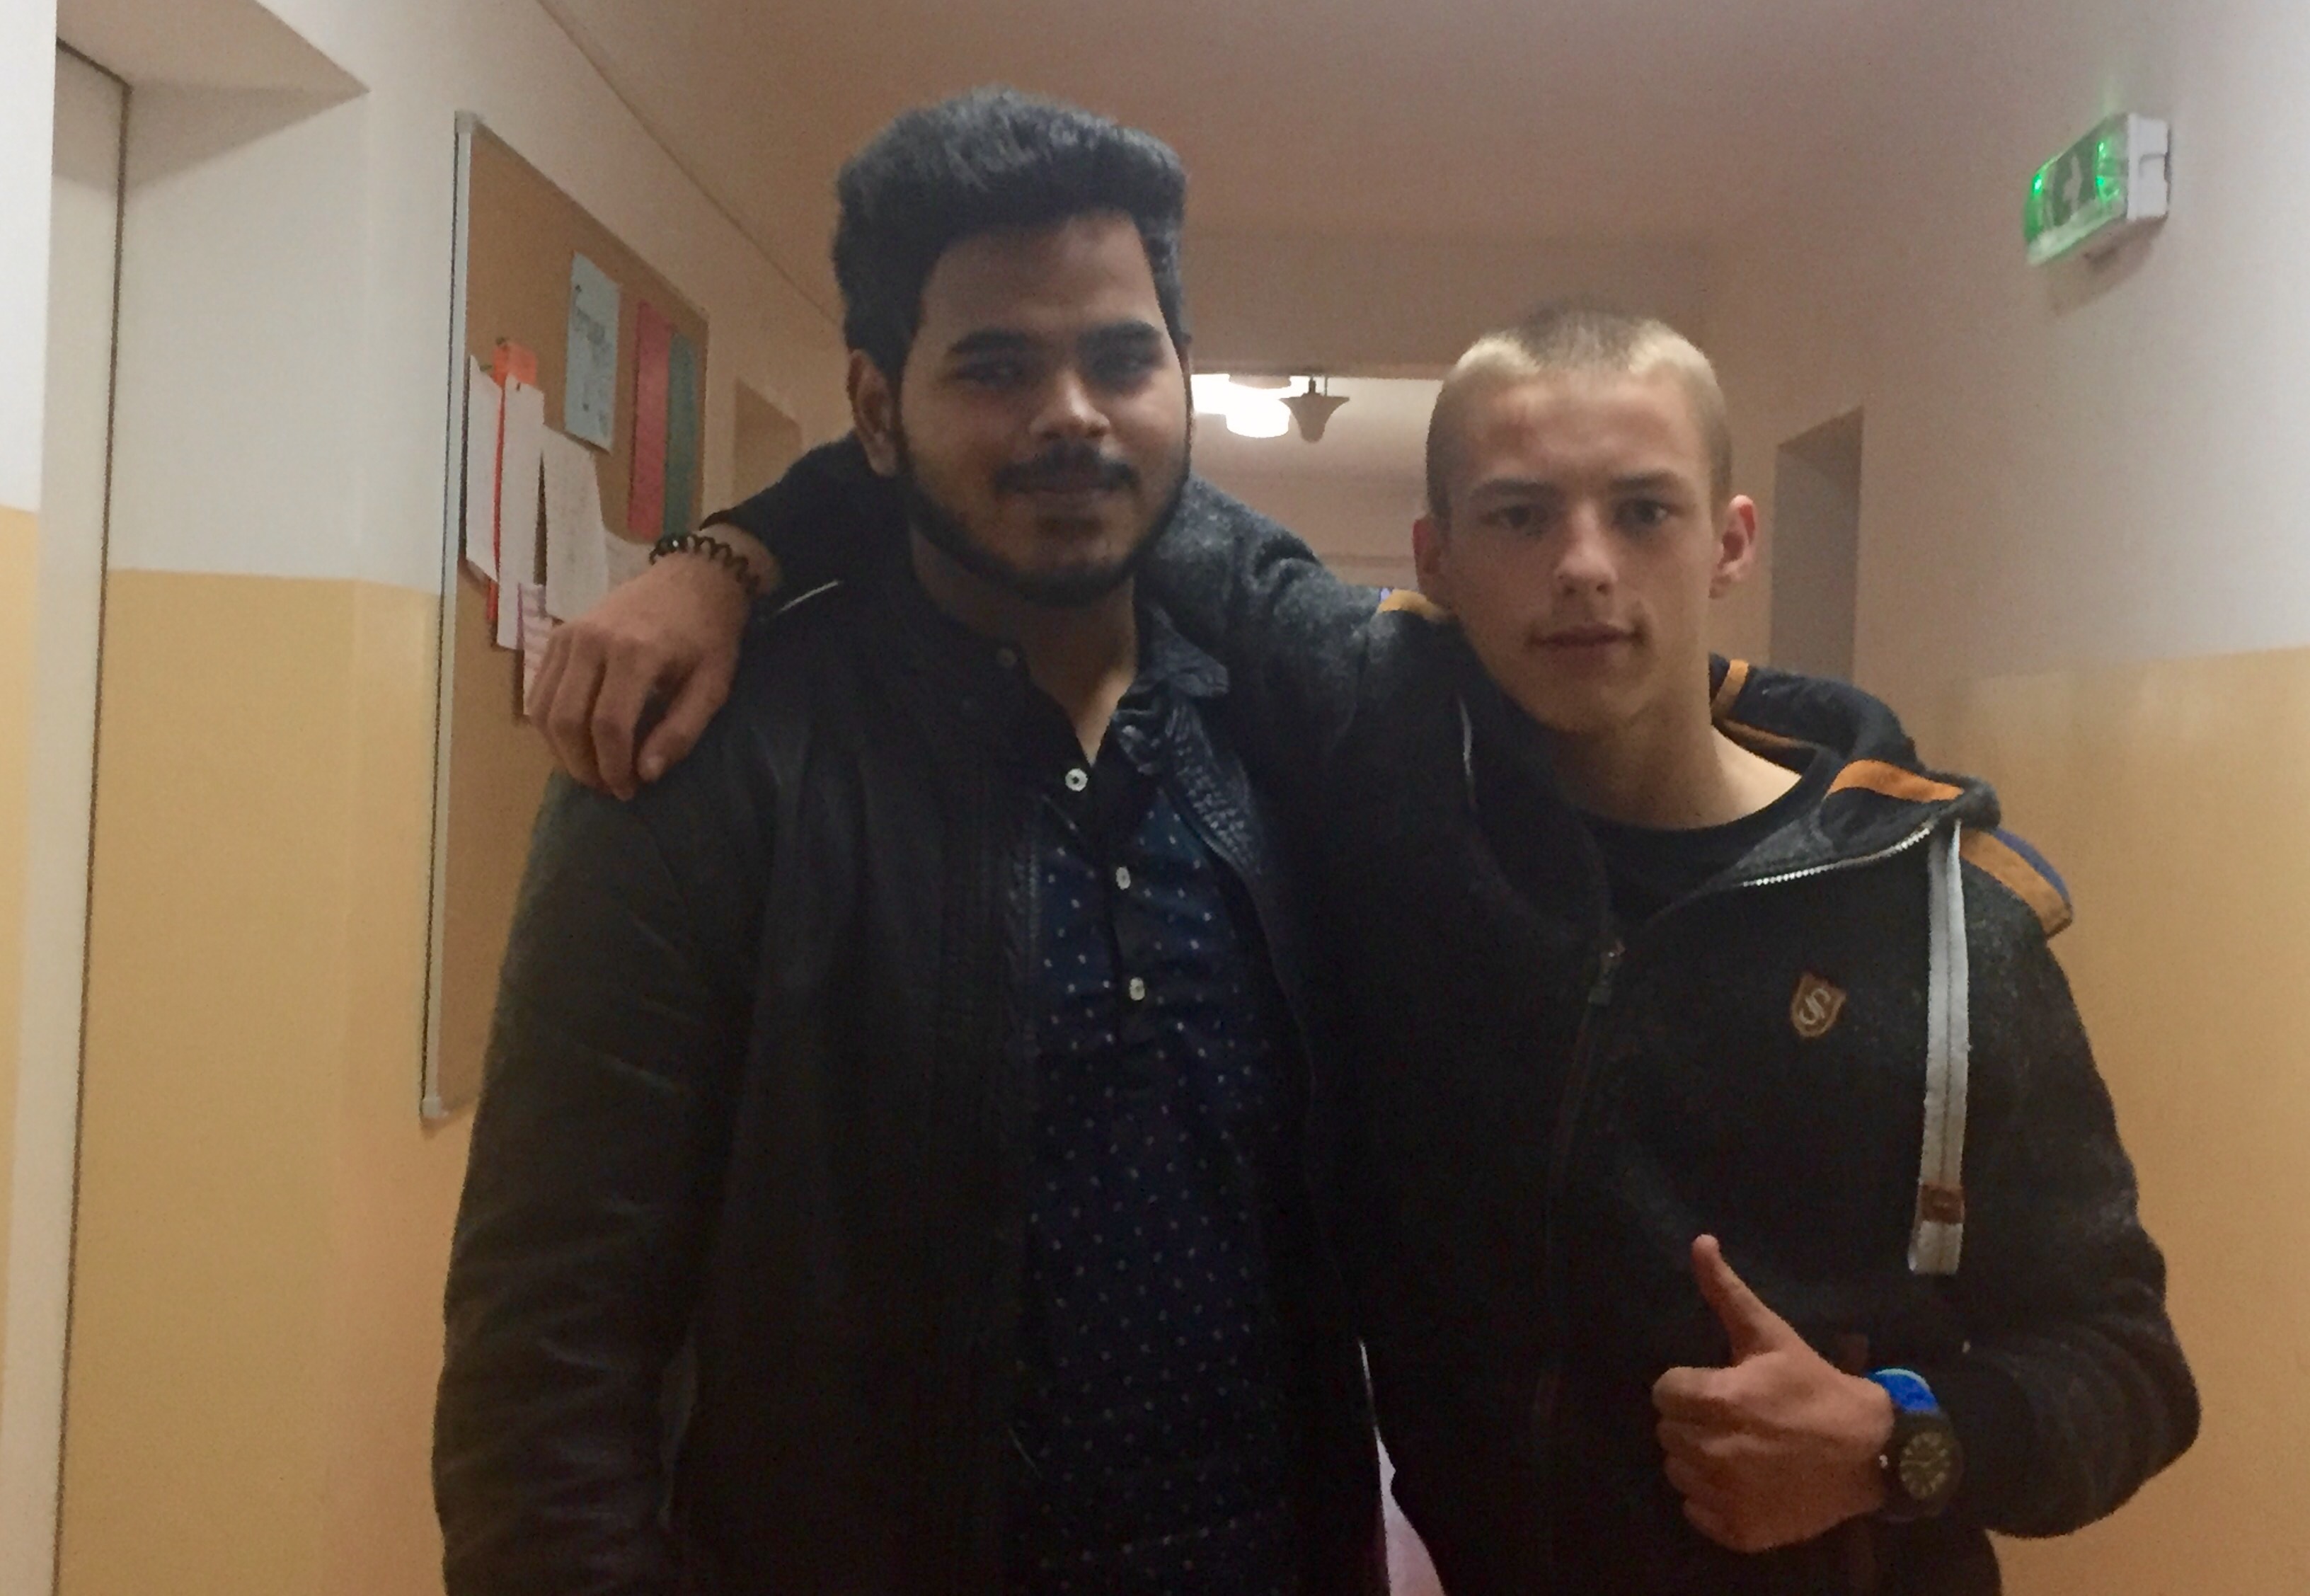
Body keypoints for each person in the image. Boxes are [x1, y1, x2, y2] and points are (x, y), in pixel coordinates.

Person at [539, 297, 2197, 1594]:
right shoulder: (1386, 761)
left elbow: (2130, 1364)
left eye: (1643, 509)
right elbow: (1056, 458)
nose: (1584, 569)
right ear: (1434, 560)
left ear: (1733, 539)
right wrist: (723, 560)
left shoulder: (1942, 915)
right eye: (1519, 516)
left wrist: (1899, 1443)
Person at [433, 90, 1385, 1596]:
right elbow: (548, 1357)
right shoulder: (711, 770)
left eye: (1121, 359)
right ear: (876, 412)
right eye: (996, 367)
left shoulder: (1285, 747)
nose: (1071, 414)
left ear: (1180, 383)